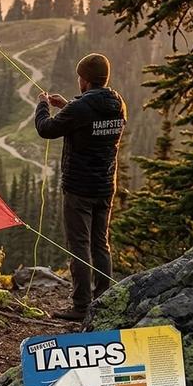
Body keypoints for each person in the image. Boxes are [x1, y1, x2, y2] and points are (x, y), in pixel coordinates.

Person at [35, 53, 126, 321]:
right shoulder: (118, 103)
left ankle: (81, 306)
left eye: (79, 77)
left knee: (79, 246)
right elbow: (89, 121)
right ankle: (105, 301)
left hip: (79, 188)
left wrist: (42, 105)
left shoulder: (82, 108)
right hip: (106, 185)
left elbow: (46, 129)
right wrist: (67, 105)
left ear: (85, 80)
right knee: (101, 244)